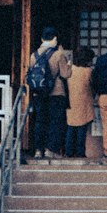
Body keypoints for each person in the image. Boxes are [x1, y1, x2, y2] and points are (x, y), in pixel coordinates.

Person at [28, 26, 66, 161]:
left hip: (38, 93)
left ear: (41, 39)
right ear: (55, 39)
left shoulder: (34, 55)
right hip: (56, 92)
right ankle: (51, 150)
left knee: (40, 121)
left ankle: (38, 150)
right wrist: (68, 62)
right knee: (55, 121)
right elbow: (66, 74)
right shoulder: (58, 54)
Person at [64, 45, 96, 160]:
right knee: (82, 127)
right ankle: (80, 151)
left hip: (70, 101)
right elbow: (93, 86)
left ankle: (68, 151)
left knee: (71, 126)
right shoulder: (88, 71)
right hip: (85, 101)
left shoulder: (69, 68)